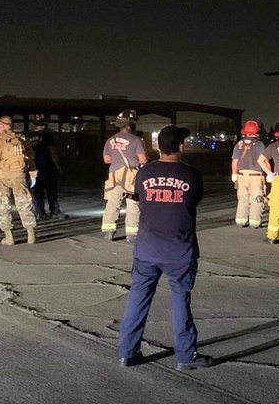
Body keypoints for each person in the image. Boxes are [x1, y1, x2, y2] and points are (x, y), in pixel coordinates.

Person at [118, 125, 211, 371]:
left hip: (147, 248)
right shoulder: (192, 175)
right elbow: (195, 199)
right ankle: (185, 355)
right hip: (179, 249)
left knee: (138, 298)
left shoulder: (145, 172)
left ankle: (127, 352)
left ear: (159, 147)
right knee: (180, 300)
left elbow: (140, 195)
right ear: (181, 146)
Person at [0, 116, 38, 245]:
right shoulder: (22, 138)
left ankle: (9, 237)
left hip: (2, 176)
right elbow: (30, 158)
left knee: (3, 205)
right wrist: (33, 174)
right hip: (19, 175)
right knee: (24, 203)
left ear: (2, 125)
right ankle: (31, 235)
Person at [102, 110, 148, 242]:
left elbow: (106, 160)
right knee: (133, 203)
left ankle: (108, 232)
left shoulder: (110, 140)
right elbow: (143, 159)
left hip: (114, 175)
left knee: (112, 203)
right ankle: (131, 234)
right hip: (131, 174)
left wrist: (118, 159)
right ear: (129, 126)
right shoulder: (136, 140)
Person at [26, 115, 66, 220]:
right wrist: (57, 165)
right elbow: (52, 151)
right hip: (47, 166)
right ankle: (55, 212)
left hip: (34, 167)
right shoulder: (47, 135)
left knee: (38, 191)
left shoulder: (29, 136)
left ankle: (40, 213)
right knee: (51, 190)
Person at [231, 120, 267, 228]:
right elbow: (264, 160)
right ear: (256, 132)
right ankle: (255, 222)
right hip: (255, 175)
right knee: (257, 199)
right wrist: (270, 173)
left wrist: (234, 173)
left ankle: (241, 221)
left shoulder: (239, 144)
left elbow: (235, 160)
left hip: (241, 175)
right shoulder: (259, 144)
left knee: (242, 198)